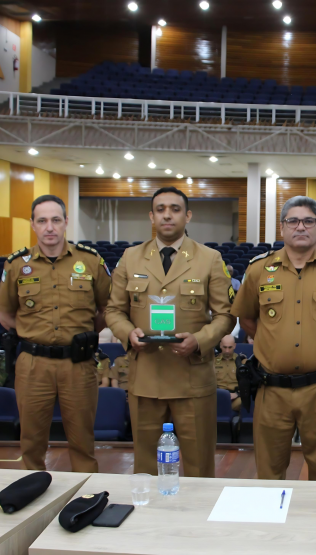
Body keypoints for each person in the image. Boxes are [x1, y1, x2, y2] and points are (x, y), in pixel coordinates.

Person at [231, 196, 316, 481]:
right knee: (268, 474)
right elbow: (246, 319)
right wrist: (272, 342)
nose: (300, 227)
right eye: (293, 221)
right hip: (271, 390)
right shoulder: (258, 269)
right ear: (282, 227)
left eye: (308, 221)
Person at [105, 186, 234, 478]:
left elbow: (225, 315)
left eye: (175, 209)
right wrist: (128, 334)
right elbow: (113, 310)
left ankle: (197, 510)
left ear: (187, 216)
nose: (167, 215)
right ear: (151, 216)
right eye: (160, 209)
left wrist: (199, 340)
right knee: (146, 467)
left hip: (191, 378)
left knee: (199, 466)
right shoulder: (130, 257)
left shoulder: (209, 258)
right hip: (146, 377)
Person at [0, 194, 111, 473]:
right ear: (33, 224)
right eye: (42, 220)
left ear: (66, 222)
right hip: (34, 364)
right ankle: (33, 488)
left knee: (82, 440)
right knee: (32, 440)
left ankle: (86, 493)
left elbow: (106, 308)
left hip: (78, 363)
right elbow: (5, 314)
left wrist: (83, 335)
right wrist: (33, 333)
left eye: (56, 220)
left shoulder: (91, 261)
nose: (50, 227)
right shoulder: (16, 264)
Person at [214, 335, 243, 412]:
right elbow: (207, 381)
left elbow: (247, 383)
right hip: (217, 396)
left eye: (230, 347)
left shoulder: (242, 362)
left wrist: (237, 394)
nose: (227, 351)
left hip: (235, 397)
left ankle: (222, 409)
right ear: (220, 345)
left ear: (234, 346)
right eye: (225, 347)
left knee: (244, 401)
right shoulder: (213, 361)